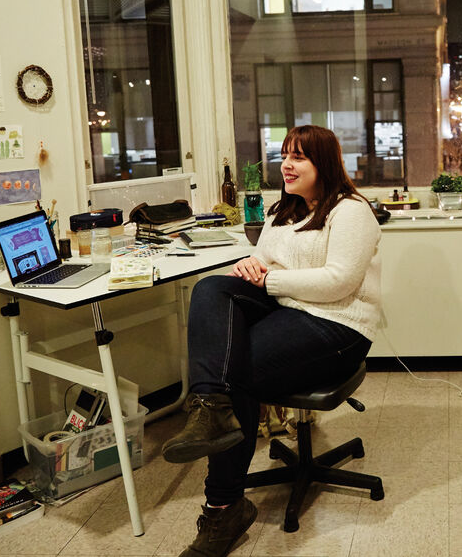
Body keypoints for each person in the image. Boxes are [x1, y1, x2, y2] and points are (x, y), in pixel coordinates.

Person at [164, 124, 382, 557]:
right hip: (289, 311)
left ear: (324, 164)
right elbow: (260, 260)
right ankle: (211, 410)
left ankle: (223, 507)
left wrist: (270, 280)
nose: (286, 164)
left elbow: (339, 282)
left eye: (298, 157)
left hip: (338, 326)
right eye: (284, 155)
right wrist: (249, 267)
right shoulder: (283, 211)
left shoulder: (351, 210)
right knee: (211, 288)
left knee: (236, 372)